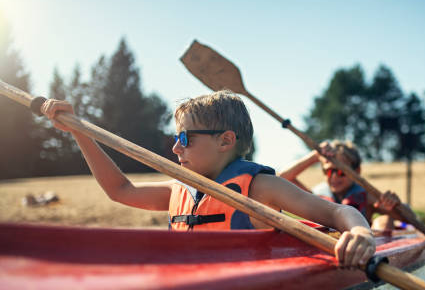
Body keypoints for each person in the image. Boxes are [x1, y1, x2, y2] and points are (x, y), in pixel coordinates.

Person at [41, 90, 375, 268]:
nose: (175, 148)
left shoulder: (260, 188)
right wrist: (80, 132)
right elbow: (119, 190)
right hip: (186, 285)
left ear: (225, 141)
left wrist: (360, 232)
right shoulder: (178, 189)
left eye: (185, 139)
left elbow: (334, 214)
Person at [278, 140, 415, 231]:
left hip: (361, 244)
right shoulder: (317, 195)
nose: (334, 177)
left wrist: (394, 207)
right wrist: (315, 155)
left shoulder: (367, 196)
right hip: (328, 244)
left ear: (357, 172)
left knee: (384, 221)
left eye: (340, 171)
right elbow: (282, 179)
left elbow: (411, 219)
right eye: (328, 171)